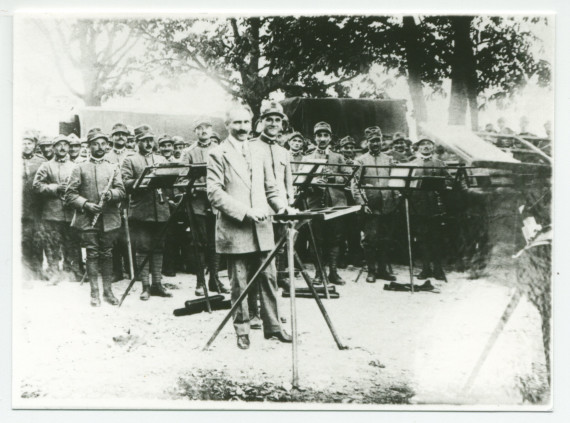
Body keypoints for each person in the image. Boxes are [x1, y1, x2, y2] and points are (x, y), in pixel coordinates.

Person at [207, 105, 293, 350]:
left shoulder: (259, 151)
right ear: (227, 125)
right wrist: (246, 212)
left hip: (263, 227)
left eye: (246, 122)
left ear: (252, 123)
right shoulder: (217, 153)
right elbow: (214, 193)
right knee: (240, 283)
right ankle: (242, 330)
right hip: (236, 228)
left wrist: (281, 207)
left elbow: (272, 187)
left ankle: (274, 328)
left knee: (269, 278)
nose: (242, 127)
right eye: (237, 123)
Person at [65, 129, 125, 306]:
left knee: (107, 254)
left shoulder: (113, 167)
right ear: (89, 146)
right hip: (87, 218)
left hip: (109, 218)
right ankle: (94, 293)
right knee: (92, 254)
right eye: (96, 143)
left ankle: (108, 291)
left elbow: (122, 191)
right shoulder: (80, 167)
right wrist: (86, 204)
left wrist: (111, 195)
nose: (100, 147)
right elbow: (69, 194)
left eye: (103, 143)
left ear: (107, 145)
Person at [121, 125, 172, 300]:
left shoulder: (161, 159)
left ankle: (157, 284)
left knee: (159, 247)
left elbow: (170, 183)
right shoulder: (130, 160)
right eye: (144, 141)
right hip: (141, 211)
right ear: (137, 142)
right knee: (143, 248)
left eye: (151, 140)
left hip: (161, 210)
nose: (149, 144)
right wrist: (144, 181)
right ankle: (145, 286)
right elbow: (125, 183)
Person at [250, 101, 294, 294]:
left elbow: (288, 184)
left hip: (281, 212)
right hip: (261, 212)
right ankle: (256, 305)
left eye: (278, 120)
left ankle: (272, 305)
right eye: (269, 119)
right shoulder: (251, 147)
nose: (274, 123)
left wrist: (289, 204)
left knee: (279, 255)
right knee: (260, 258)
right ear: (261, 122)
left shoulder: (284, 152)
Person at [181, 120, 230, 295]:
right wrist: (194, 187)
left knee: (216, 242)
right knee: (199, 243)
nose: (203, 131)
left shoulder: (221, 149)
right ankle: (200, 282)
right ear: (195, 131)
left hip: (217, 203)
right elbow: (182, 179)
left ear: (211, 130)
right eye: (199, 128)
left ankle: (214, 280)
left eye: (206, 128)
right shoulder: (188, 152)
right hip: (198, 204)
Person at [302, 121, 348, 285]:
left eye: (325, 135)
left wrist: (334, 177)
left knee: (335, 239)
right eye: (319, 135)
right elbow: (301, 182)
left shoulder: (338, 157)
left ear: (330, 138)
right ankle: (319, 273)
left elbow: (348, 178)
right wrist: (313, 181)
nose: (322, 138)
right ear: (314, 138)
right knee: (316, 239)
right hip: (315, 201)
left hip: (336, 202)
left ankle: (333, 273)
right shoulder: (307, 158)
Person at [351, 130, 399, 282]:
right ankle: (371, 271)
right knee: (370, 239)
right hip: (370, 207)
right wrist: (362, 203)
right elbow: (355, 184)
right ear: (367, 142)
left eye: (378, 140)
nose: (376, 144)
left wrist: (396, 198)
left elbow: (396, 180)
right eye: (372, 141)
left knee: (385, 239)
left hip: (388, 206)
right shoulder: (360, 161)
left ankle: (383, 270)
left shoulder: (389, 159)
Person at [33, 134, 81, 282]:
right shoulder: (46, 166)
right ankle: (54, 271)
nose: (62, 148)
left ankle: (70, 271)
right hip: (52, 212)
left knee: (71, 242)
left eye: (65, 145)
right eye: (58, 145)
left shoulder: (75, 166)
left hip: (71, 212)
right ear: (53, 148)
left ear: (69, 147)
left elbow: (82, 186)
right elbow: (36, 186)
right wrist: (55, 187)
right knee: (52, 243)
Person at [408, 138, 449, 281]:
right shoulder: (412, 164)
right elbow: (406, 185)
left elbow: (448, 181)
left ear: (433, 147)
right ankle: (425, 269)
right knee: (422, 238)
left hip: (435, 206)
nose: (425, 147)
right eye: (422, 144)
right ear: (417, 147)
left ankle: (438, 269)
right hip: (418, 206)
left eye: (428, 144)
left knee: (436, 238)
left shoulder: (440, 163)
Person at [21, 130, 47, 280]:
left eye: (29, 143)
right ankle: (26, 272)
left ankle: (38, 269)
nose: (26, 146)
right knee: (23, 239)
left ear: (35, 144)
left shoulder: (41, 161)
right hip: (20, 206)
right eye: (24, 143)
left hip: (37, 206)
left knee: (38, 238)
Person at [337, 135, 363, 267]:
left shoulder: (358, 163)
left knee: (354, 228)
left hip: (354, 197)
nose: (348, 150)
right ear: (341, 149)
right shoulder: (337, 161)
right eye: (346, 147)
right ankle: (341, 256)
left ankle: (355, 255)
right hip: (341, 196)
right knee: (341, 228)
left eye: (351, 148)